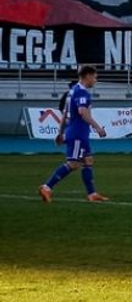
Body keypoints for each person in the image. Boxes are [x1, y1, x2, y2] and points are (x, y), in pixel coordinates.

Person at [39, 65, 109, 203]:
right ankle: (46, 187)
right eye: (95, 77)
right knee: (73, 164)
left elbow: (65, 113)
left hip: (76, 132)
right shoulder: (82, 93)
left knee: (88, 160)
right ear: (88, 76)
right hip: (78, 133)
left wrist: (60, 133)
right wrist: (98, 128)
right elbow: (83, 112)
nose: (95, 81)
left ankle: (92, 194)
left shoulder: (72, 91)